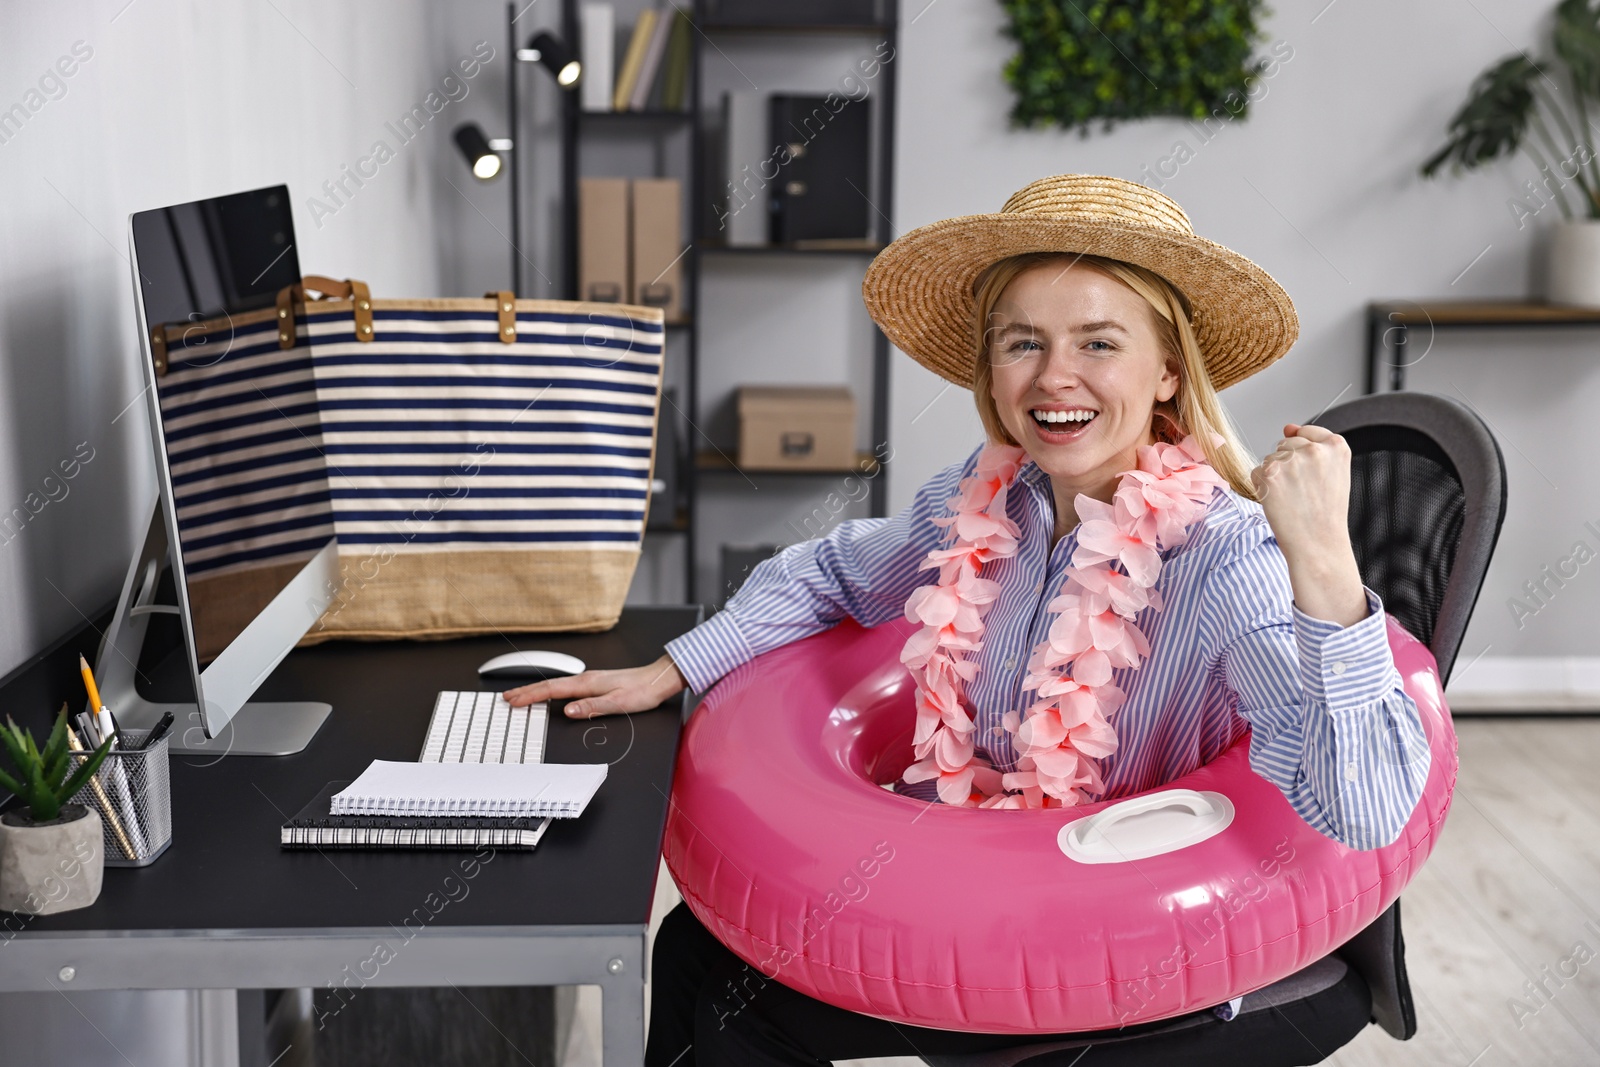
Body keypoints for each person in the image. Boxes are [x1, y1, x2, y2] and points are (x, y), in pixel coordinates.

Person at [506, 174, 1432, 1065]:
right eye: (1021, 340)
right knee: (701, 963)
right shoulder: (983, 499)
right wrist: (671, 669)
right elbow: (830, 569)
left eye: (1099, 343)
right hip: (969, 900)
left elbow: (1364, 809)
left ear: (1168, 374)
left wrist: (1324, 564)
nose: (1052, 376)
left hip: (1136, 954)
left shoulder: (1229, 559)